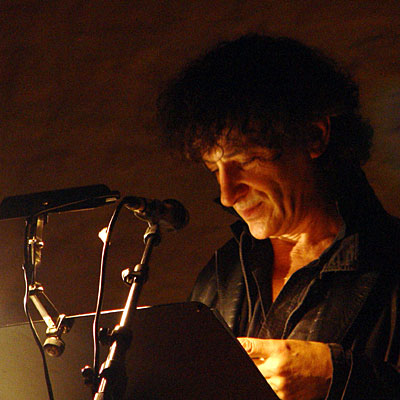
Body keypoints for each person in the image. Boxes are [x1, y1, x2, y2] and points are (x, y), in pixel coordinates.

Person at [157, 34, 400, 399]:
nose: (227, 194)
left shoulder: (391, 264)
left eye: (246, 161)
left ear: (314, 136)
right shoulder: (221, 276)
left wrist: (339, 378)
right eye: (214, 169)